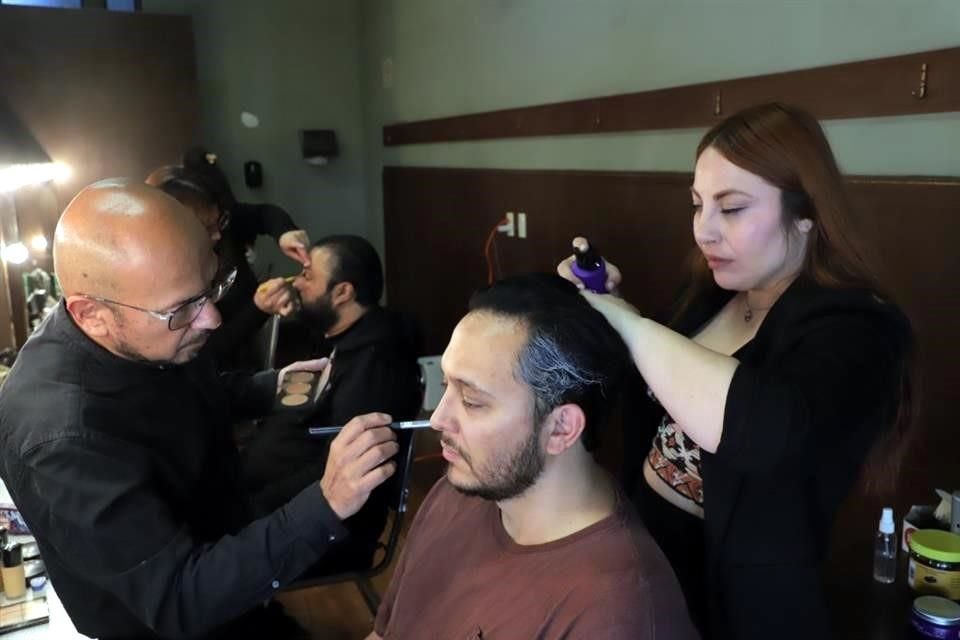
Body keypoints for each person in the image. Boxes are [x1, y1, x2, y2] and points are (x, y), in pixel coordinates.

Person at [558, 103, 914, 639]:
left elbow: (765, 425)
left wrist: (622, 322)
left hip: (743, 607)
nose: (704, 231)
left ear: (805, 214)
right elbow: (664, 378)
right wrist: (616, 308)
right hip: (646, 567)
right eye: (698, 205)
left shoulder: (860, 327)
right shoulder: (708, 296)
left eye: (732, 208)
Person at [0, 180, 401, 640]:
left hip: (228, 562)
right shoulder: (61, 438)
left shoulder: (146, 332)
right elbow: (178, 598)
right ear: (92, 314)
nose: (211, 317)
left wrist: (265, 388)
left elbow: (181, 389)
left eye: (212, 288)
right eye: (184, 308)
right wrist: (326, 502)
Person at [369, 273, 698, 640]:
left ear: (561, 428)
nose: (438, 419)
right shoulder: (458, 491)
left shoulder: (617, 609)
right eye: (446, 386)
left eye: (472, 401)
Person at [242, 235, 423, 574]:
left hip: (329, 531)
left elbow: (342, 468)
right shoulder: (340, 334)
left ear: (343, 293)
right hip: (276, 502)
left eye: (308, 275)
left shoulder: (376, 363)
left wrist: (252, 508)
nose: (296, 282)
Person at [148, 149, 311, 371]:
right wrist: (258, 309)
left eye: (220, 222)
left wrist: (285, 233)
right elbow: (210, 354)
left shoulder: (224, 227)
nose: (217, 234)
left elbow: (264, 214)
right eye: (206, 229)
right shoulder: (163, 284)